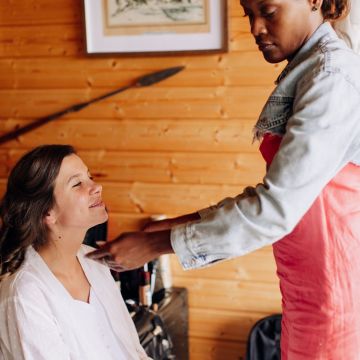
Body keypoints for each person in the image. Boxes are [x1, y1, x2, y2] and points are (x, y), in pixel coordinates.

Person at [88, 0, 360, 358]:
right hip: (306, 289)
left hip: (335, 293)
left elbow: (273, 209)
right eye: (248, 14)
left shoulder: (330, 75)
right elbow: (270, 196)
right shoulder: (311, 69)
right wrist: (159, 231)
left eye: (269, 11)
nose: (255, 29)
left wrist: (155, 246)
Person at [0, 145, 149, 360]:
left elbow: (133, 352)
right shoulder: (25, 295)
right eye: (78, 183)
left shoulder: (95, 262)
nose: (97, 186)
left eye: (89, 177)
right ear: (47, 212)